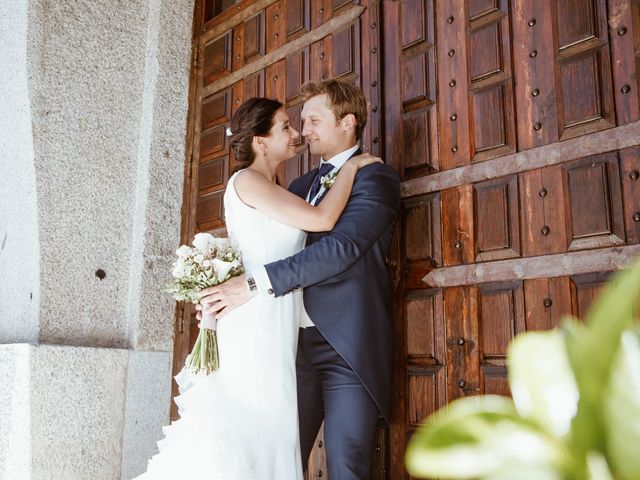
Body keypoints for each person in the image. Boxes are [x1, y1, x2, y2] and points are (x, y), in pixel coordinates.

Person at [134, 96, 380, 480]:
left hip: (280, 325)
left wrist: (215, 281)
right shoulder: (247, 180)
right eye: (286, 126)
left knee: (270, 436)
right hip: (257, 323)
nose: (297, 133)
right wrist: (350, 170)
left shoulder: (285, 186)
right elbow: (322, 218)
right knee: (253, 433)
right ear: (261, 142)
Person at [199, 79, 401, 479]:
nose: (303, 132)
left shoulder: (375, 178)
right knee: (275, 460)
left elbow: (340, 248)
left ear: (347, 122)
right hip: (285, 346)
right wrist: (214, 278)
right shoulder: (297, 186)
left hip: (346, 346)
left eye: (312, 120)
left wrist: (252, 284)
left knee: (347, 465)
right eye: (298, 123)